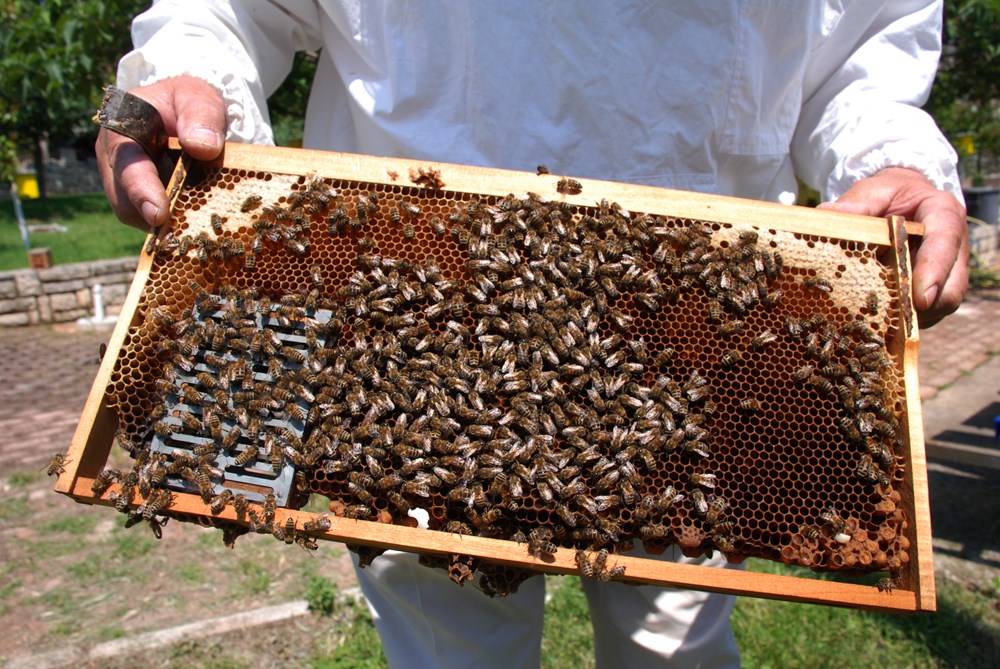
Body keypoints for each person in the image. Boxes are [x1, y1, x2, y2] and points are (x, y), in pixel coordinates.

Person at [97, 2, 969, 667]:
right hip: (403, 319)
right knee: (442, 630)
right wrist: (184, 67)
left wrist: (888, 152)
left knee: (674, 631)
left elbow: (865, 48)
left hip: (686, 344)